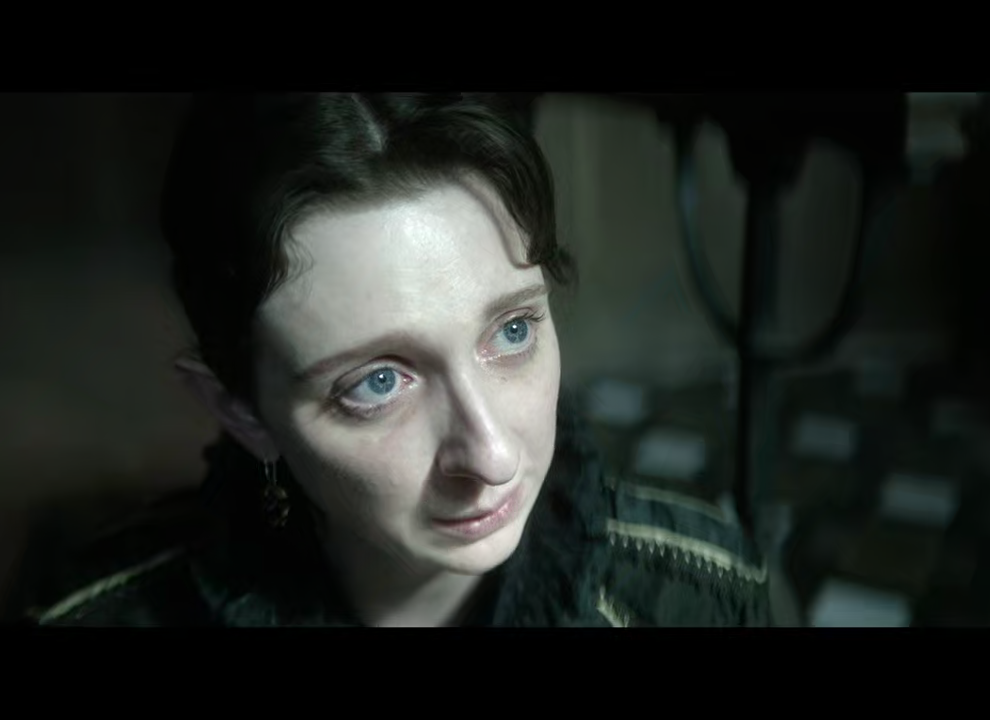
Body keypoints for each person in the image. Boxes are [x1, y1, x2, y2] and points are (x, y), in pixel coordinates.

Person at [14, 93, 772, 627]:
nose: (493, 455)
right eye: (379, 383)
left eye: (512, 331)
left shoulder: (701, 593)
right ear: (241, 412)